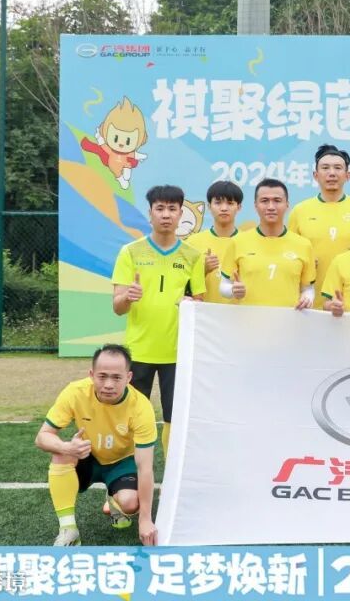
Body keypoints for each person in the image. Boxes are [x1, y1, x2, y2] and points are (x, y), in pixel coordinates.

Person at [111, 185, 205, 457]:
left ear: (180, 214)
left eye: (172, 209)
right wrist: (127, 297)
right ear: (150, 213)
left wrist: (191, 303)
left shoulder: (192, 256)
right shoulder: (130, 252)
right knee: (131, 415)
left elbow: (199, 304)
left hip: (177, 352)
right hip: (139, 350)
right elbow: (117, 307)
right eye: (160, 208)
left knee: (175, 416)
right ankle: (127, 473)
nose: (166, 214)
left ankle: (171, 474)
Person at [36, 344, 158, 547]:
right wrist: (67, 447)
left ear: (128, 377)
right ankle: (69, 530)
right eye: (102, 376)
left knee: (130, 503)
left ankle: (114, 499)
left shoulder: (141, 407)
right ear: (92, 375)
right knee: (60, 452)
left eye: (116, 378)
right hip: (87, 456)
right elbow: (42, 437)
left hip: (122, 462)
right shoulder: (75, 392)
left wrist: (145, 519)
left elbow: (145, 467)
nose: (108, 384)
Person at [220, 178, 316, 308]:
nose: (271, 207)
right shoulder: (238, 241)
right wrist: (232, 290)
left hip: (288, 319)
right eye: (264, 201)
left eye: (277, 201)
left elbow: (308, 289)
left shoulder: (303, 245)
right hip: (249, 319)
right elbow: (224, 285)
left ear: (287, 205)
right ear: (256, 205)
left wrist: (307, 299)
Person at [288, 144, 350, 309]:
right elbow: (289, 253)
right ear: (315, 175)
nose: (332, 173)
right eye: (325, 168)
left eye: (338, 168)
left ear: (348, 175)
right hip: (309, 304)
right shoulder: (300, 211)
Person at [184, 181, 244, 305]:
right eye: (218, 203)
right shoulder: (192, 242)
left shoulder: (247, 241)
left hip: (240, 313)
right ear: (209, 206)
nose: (224, 208)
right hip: (203, 313)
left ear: (239, 207)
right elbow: (180, 284)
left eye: (230, 203)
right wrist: (202, 270)